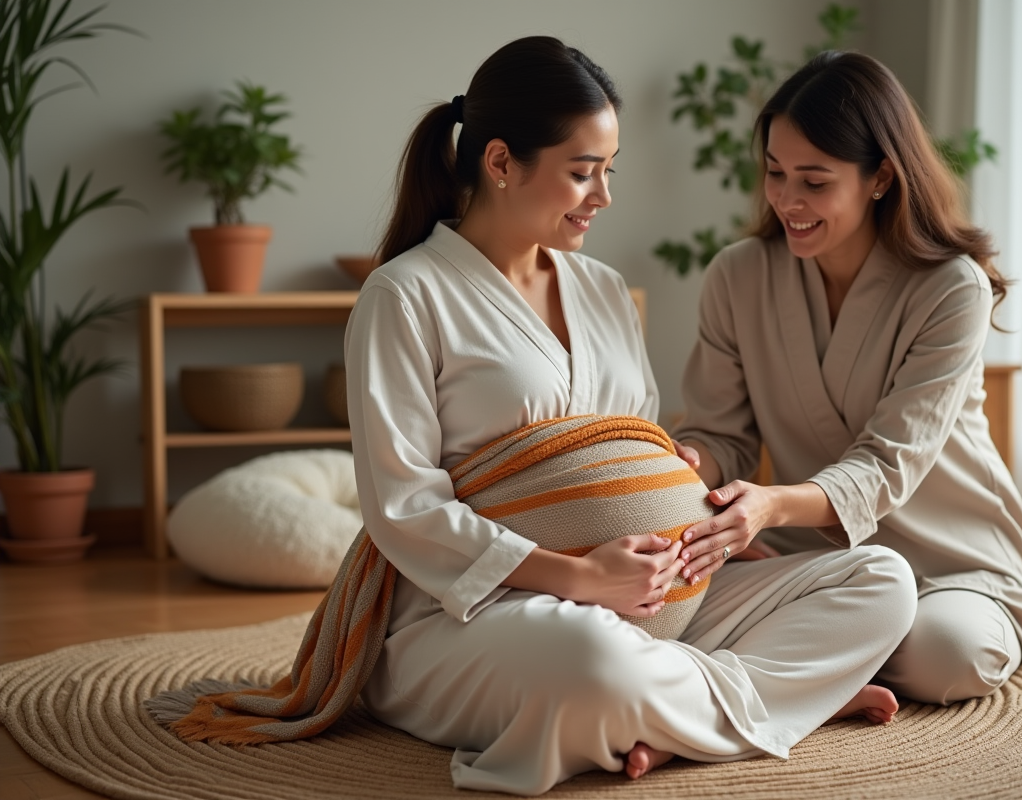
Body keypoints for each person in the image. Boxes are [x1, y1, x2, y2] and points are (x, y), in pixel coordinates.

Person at [348, 37, 918, 796]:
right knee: (590, 663)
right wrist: (577, 578)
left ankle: (678, 711)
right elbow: (404, 509)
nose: (603, 197)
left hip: (650, 601)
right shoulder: (405, 297)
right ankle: (773, 702)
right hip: (479, 616)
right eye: (583, 173)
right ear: (499, 162)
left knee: (883, 581)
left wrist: (697, 531)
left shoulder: (606, 291)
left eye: (608, 172)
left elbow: (642, 460)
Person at [672, 51, 1022, 707]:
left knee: (945, 656)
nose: (788, 200)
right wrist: (680, 466)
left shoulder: (950, 288)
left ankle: (814, 663)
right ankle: (829, 671)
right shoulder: (737, 276)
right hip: (809, 560)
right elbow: (719, 435)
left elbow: (886, 464)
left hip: (947, 561)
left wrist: (768, 505)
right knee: (657, 609)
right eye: (774, 173)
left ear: (879, 178)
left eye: (814, 182)